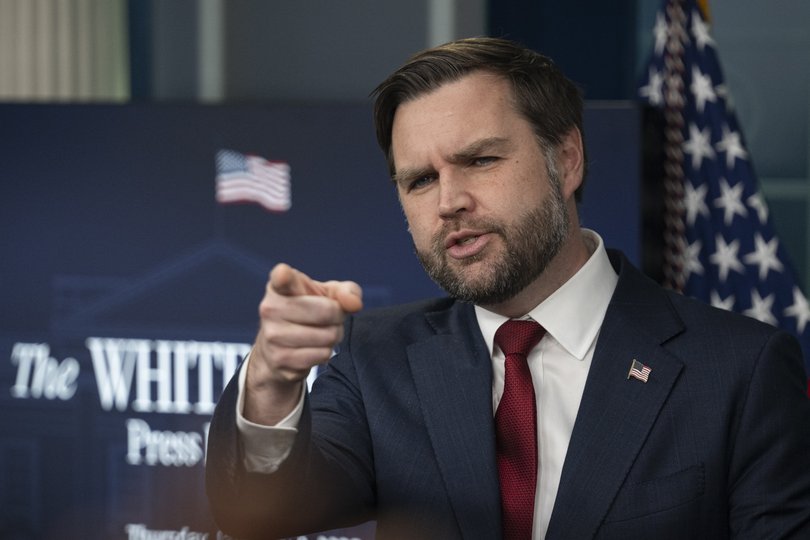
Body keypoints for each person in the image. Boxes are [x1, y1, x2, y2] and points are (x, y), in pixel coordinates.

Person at [205, 37, 810, 539]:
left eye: (480, 161)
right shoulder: (377, 359)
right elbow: (260, 513)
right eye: (420, 180)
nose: (449, 202)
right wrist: (270, 380)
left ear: (566, 159)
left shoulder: (741, 372)